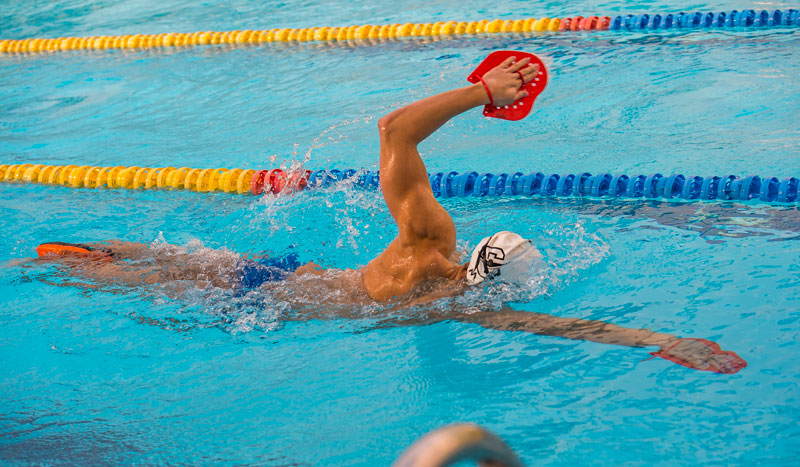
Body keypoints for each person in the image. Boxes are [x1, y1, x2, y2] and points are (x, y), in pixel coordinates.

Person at [33, 55, 746, 374]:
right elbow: (393, 130)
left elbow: (558, 326)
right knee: (127, 278)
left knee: (160, 255)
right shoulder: (440, 266)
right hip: (267, 296)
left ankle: (61, 250)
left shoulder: (456, 288)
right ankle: (41, 261)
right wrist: (484, 89)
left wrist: (659, 336)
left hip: (279, 276)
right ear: (489, 276)